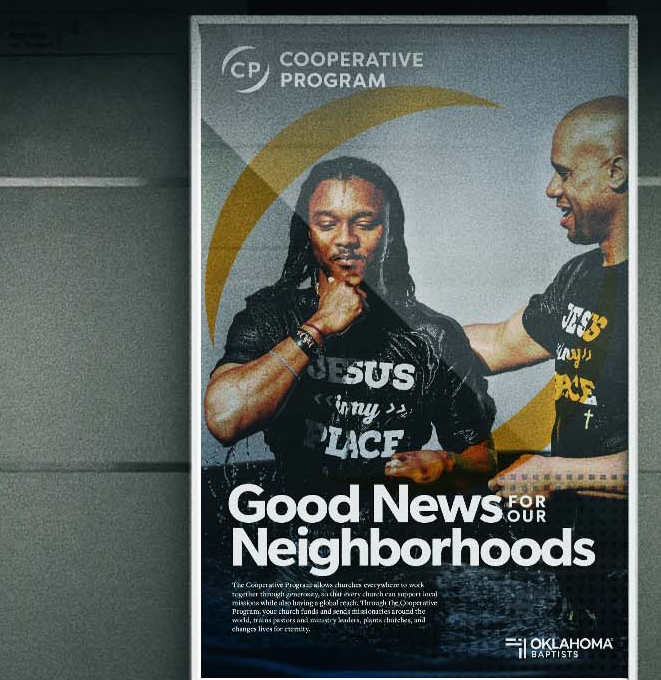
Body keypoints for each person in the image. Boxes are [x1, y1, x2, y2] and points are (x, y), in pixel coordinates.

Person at [204, 155, 496, 492]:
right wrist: (318, 327)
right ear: (307, 231)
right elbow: (224, 420)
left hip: (393, 534)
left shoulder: (432, 335)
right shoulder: (271, 315)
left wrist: (448, 463)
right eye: (327, 223)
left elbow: (482, 457)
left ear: (388, 232)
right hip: (292, 529)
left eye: (364, 222)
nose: (346, 238)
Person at [462, 97, 629, 629]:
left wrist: (554, 473)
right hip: (583, 578)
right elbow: (495, 345)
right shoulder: (579, 277)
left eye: (563, 174)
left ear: (617, 172)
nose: (551, 190)